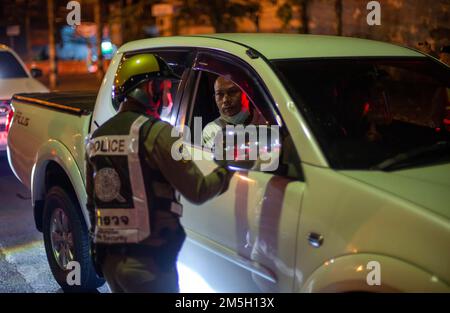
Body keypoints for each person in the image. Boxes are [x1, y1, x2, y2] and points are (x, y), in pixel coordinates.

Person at [85, 53, 234, 293]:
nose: (167, 98)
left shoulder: (97, 137)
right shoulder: (158, 133)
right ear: (146, 89)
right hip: (148, 266)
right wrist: (227, 167)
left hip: (109, 262)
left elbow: (92, 202)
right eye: (163, 89)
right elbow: (198, 191)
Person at [202, 75, 266, 149]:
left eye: (232, 92)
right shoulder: (211, 130)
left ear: (246, 94)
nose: (225, 100)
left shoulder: (266, 122)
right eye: (220, 94)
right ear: (214, 98)